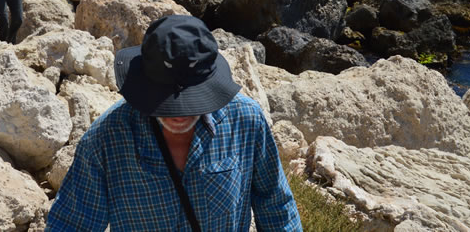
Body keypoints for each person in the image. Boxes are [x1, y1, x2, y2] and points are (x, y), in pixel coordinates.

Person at [46, 15, 302, 231]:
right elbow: (71, 224)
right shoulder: (107, 139)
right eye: (166, 100)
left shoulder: (245, 121)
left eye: (191, 100)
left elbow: (276, 206)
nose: (179, 113)